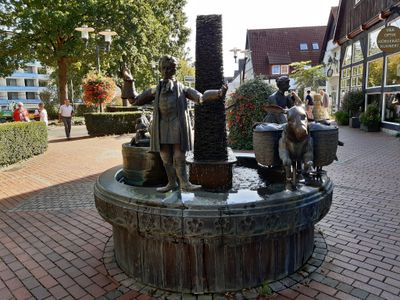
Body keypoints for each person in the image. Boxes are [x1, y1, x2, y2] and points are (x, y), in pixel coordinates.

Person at [121, 55, 227, 192]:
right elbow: (134, 100)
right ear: (160, 69)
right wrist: (129, 80)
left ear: (174, 70)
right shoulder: (155, 89)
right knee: (165, 156)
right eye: (164, 68)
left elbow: (200, 97)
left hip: (177, 124)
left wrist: (219, 93)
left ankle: (185, 183)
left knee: (179, 156)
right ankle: (171, 183)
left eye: (170, 68)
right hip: (162, 125)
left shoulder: (182, 88)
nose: (166, 71)